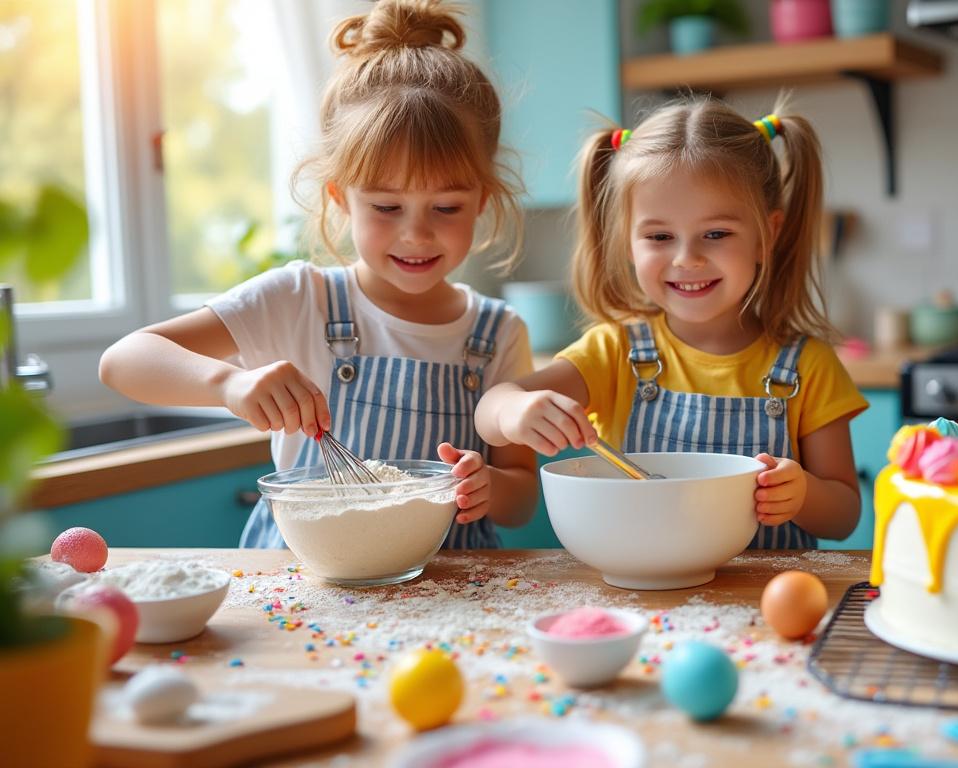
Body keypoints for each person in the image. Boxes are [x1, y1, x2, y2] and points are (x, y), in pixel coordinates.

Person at [100, 0, 537, 548]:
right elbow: (123, 362)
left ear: (482, 201)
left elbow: (521, 497)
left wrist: (489, 486)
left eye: (446, 208)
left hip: (444, 595)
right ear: (341, 198)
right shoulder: (298, 299)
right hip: (307, 591)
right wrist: (230, 384)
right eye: (385, 207)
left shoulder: (498, 332)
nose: (417, 235)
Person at [475, 98, 866, 548]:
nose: (687, 259)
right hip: (645, 605)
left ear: (767, 234)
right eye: (660, 237)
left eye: (716, 234)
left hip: (763, 608)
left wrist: (802, 494)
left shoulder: (808, 367)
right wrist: (516, 411)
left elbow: (844, 517)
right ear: (627, 242)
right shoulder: (615, 352)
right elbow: (492, 409)